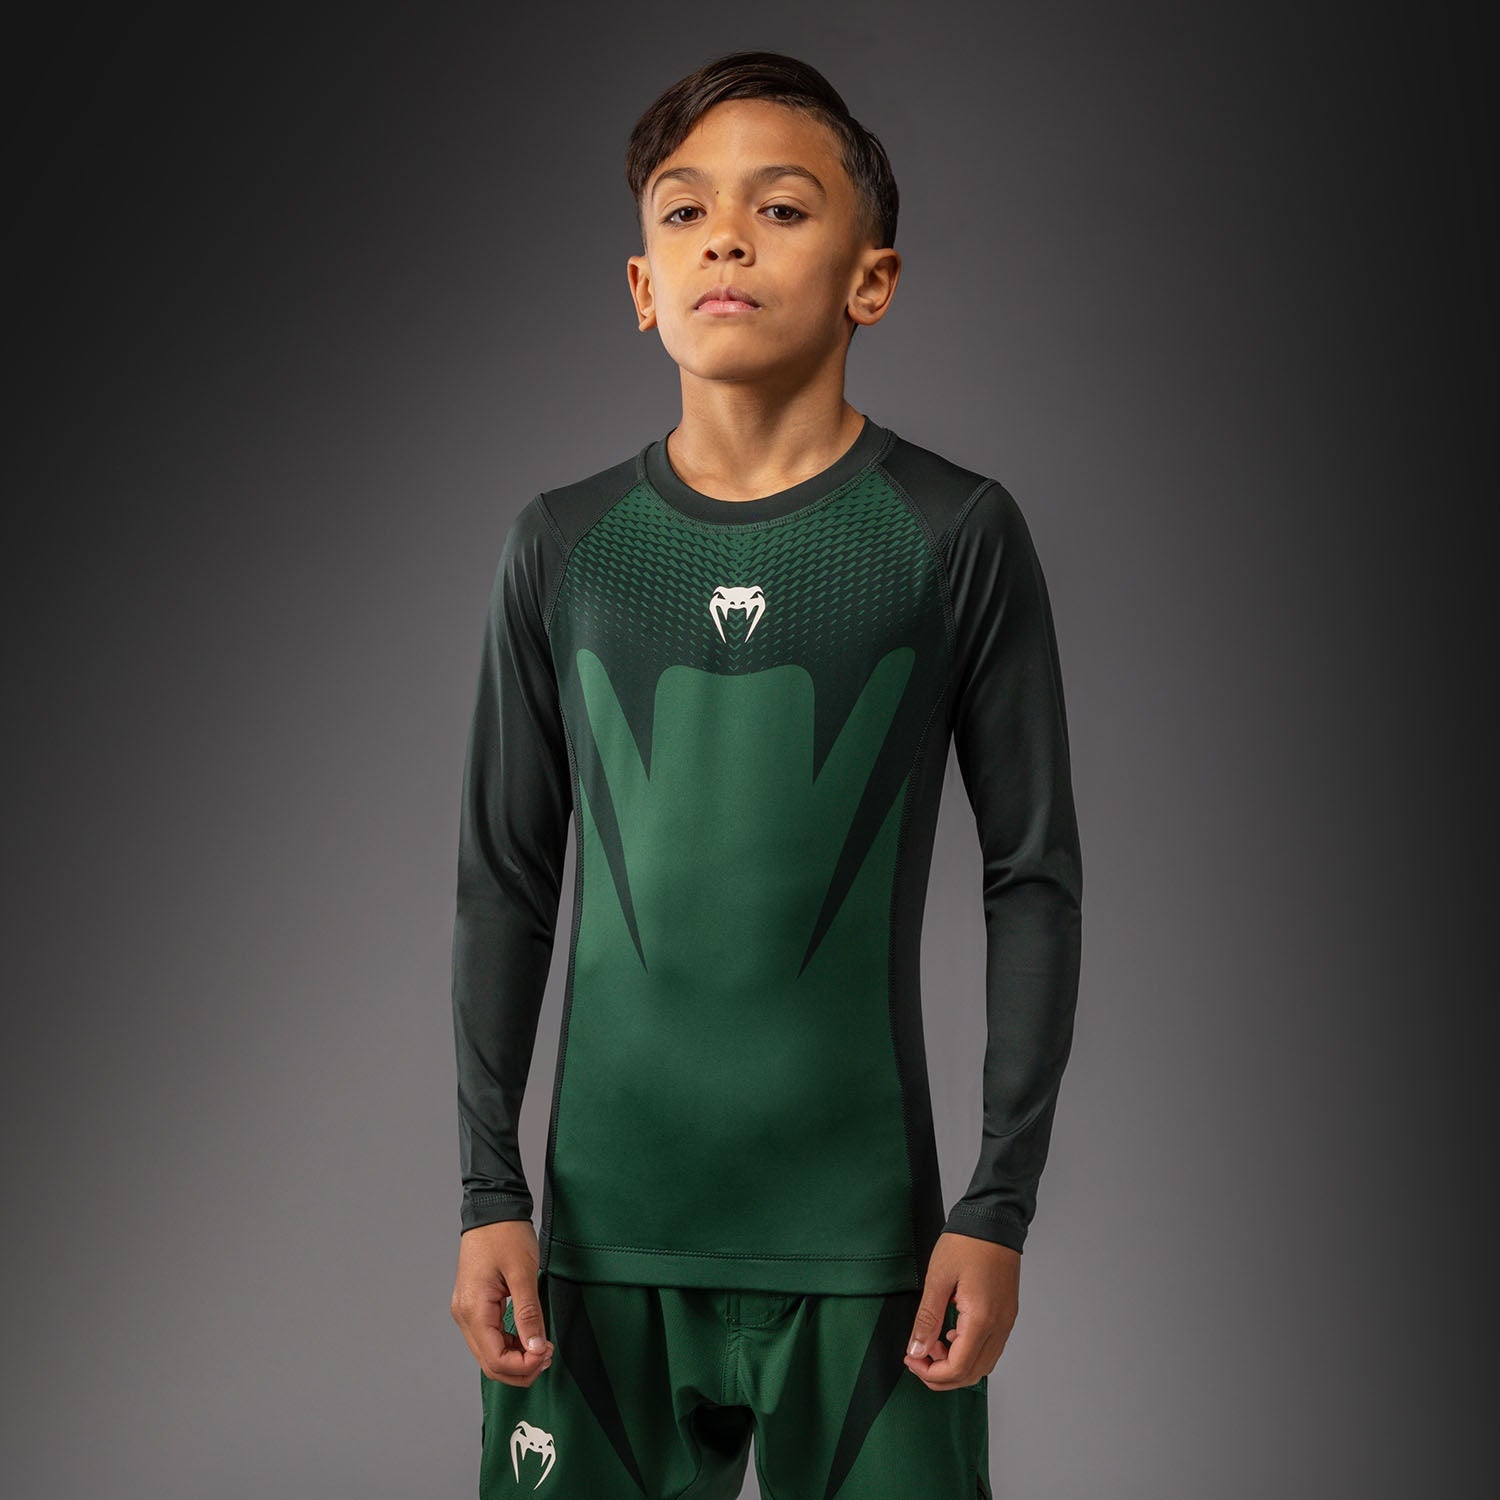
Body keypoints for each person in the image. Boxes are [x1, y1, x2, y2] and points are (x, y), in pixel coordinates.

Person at [447, 49, 1083, 1500]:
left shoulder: (952, 534)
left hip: (873, 1256)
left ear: (873, 279)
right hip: (596, 1254)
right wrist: (489, 1194)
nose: (726, 239)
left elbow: (1033, 878)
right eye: (686, 212)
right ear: (642, 285)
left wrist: (997, 1205)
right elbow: (503, 884)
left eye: (782, 209)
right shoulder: (566, 546)